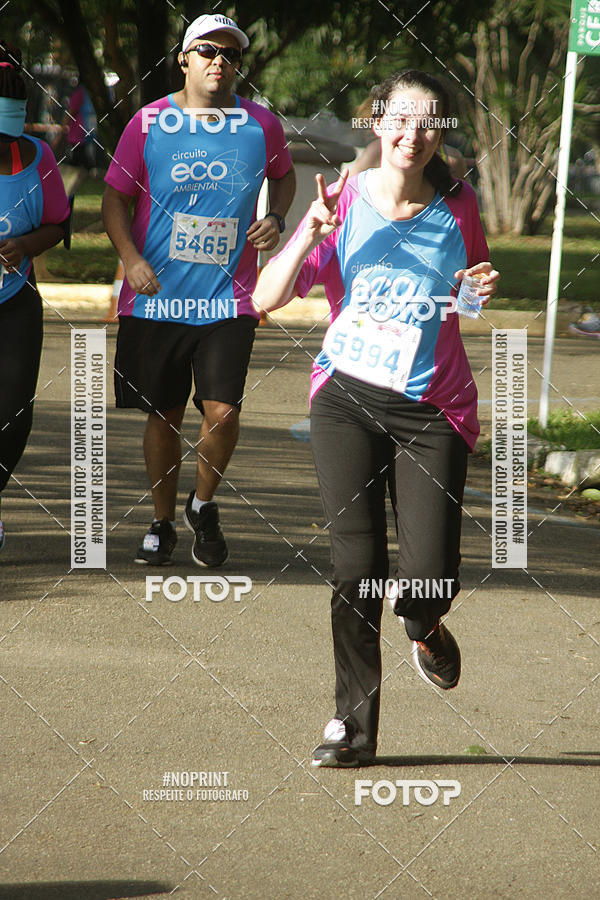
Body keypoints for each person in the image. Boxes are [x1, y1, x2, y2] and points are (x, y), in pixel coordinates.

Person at [254, 70, 499, 767]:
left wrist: (473, 290)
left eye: (428, 123)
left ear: (439, 134)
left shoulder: (459, 207)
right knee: (356, 566)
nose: (412, 134)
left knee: (426, 576)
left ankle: (425, 625)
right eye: (400, 119)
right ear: (377, 122)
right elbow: (266, 298)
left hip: (433, 409)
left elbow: (466, 297)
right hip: (347, 401)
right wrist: (309, 232)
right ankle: (351, 728)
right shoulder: (341, 202)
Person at [102, 13, 295, 566]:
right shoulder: (148, 123)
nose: (219, 61)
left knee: (224, 413)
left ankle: (202, 503)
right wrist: (131, 259)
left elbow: (283, 175)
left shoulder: (262, 126)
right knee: (162, 414)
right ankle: (161, 522)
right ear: (184, 58)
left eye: (231, 54)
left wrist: (277, 218)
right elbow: (114, 197)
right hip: (157, 295)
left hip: (228, 299)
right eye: (207, 50)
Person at [0, 42, 71, 552]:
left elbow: (59, 224)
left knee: (13, 413)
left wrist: (23, 245)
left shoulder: (38, 155)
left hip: (15, 301)